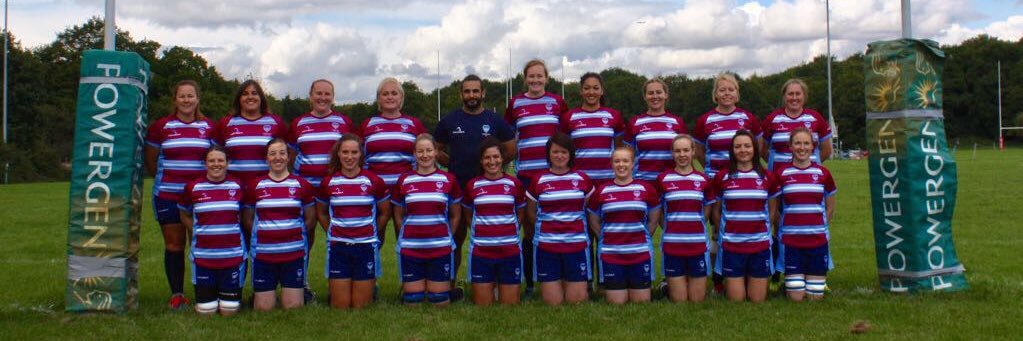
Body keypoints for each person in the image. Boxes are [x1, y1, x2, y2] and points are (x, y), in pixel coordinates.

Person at [434, 74, 516, 301]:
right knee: (456, 239)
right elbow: (435, 147)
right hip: (459, 189)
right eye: (467, 91)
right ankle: (449, 283)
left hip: (490, 189)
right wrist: (450, 162)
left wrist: (496, 168)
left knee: (494, 237)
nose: (471, 95)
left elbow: (510, 148)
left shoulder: (495, 120)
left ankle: (500, 283)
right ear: (461, 94)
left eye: (475, 91)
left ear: (483, 93)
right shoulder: (450, 121)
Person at [144, 80, 218, 310]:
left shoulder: (209, 127)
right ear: (175, 100)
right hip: (169, 195)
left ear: (198, 99)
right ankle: (177, 294)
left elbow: (215, 159)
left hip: (201, 198)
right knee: (175, 245)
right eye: (182, 96)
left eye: (191, 96)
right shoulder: (161, 126)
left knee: (205, 244)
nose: (186, 100)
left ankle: (209, 291)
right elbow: (151, 159)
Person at [691, 73, 760, 294]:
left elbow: (756, 147)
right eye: (722, 90)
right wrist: (715, 173)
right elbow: (700, 151)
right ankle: (719, 280)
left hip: (745, 181)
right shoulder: (705, 120)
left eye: (731, 89)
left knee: (744, 228)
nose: (727, 93)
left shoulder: (748, 118)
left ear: (737, 93)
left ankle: (749, 275)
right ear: (715, 95)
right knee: (717, 232)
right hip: (717, 183)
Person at [505, 59, 567, 296]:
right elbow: (509, 137)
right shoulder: (516, 103)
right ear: (525, 79)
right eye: (531, 76)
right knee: (530, 229)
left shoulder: (557, 102)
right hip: (527, 176)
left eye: (539, 76)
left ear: (547, 78)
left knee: (556, 227)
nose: (535, 80)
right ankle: (530, 282)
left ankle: (560, 278)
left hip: (553, 176)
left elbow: (563, 138)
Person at [288, 79, 353, 303]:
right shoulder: (298, 123)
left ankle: (346, 280)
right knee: (304, 235)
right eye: (318, 93)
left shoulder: (343, 122)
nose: (322, 98)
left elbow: (350, 153)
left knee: (339, 236)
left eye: (327, 94)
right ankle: (301, 282)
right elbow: (291, 155)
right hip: (306, 190)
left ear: (333, 97)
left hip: (335, 191)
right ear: (310, 95)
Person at [317, 134, 391, 309]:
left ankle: (371, 287)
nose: (349, 157)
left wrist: (371, 233)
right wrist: (333, 231)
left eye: (354, 152)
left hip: (365, 246)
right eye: (345, 152)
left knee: (360, 307)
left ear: (361, 155)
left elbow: (384, 213)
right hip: (339, 246)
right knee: (340, 306)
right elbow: (321, 212)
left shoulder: (374, 181)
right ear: (338, 155)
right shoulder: (329, 182)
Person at [243, 138, 317, 311]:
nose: (278, 157)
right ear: (266, 158)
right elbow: (248, 218)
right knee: (263, 309)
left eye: (282, 153)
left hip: (293, 254)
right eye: (273, 153)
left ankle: (300, 291)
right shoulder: (256, 186)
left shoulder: (301, 185)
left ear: (288, 157)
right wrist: (262, 236)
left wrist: (292, 235)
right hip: (264, 255)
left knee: (292, 308)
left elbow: (310, 219)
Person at [392, 134, 462, 306]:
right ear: (414, 154)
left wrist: (446, 235)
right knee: (413, 302)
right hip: (412, 248)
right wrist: (407, 234)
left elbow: (455, 215)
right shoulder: (404, 180)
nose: (425, 155)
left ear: (436, 152)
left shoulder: (448, 179)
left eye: (429, 150)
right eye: (420, 151)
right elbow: (399, 214)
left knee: (439, 301)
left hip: (439, 248)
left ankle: (448, 291)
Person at [587, 145, 661, 304]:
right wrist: (608, 238)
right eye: (617, 161)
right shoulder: (601, 191)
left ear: (633, 163)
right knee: (617, 303)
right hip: (612, 254)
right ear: (612, 164)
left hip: (639, 253)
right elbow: (593, 221)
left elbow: (653, 220)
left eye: (625, 161)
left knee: (641, 302)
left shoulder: (646, 189)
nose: (621, 165)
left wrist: (641, 237)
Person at [710, 129, 778, 303]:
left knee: (757, 300)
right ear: (732, 150)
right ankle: (723, 283)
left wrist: (763, 228)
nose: (743, 150)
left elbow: (772, 209)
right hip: (732, 246)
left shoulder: (766, 177)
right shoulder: (722, 177)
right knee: (737, 300)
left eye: (747, 146)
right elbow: (716, 211)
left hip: (759, 245)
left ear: (754, 148)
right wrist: (725, 232)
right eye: (738, 146)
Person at [526, 133, 594, 305]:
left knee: (576, 302)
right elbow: (532, 212)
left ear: (570, 154)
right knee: (552, 303)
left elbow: (588, 208)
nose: (559, 156)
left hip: (576, 245)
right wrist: (548, 229)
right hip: (547, 245)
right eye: (555, 152)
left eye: (564, 152)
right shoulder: (538, 180)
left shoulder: (582, 179)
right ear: (548, 154)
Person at [178, 145, 245, 316]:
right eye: (212, 160)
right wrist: (197, 231)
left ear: (228, 163)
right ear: (205, 164)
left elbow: (246, 214)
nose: (216, 164)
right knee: (206, 312)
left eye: (220, 160)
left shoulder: (238, 186)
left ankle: (227, 298)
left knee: (229, 311)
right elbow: (184, 212)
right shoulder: (193, 188)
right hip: (204, 258)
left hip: (232, 257)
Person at [359, 77, 426, 247]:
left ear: (401, 98)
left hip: (405, 191)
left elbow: (425, 152)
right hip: (374, 192)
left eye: (394, 93)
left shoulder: (413, 124)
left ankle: (410, 273)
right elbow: (357, 156)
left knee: (406, 240)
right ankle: (368, 272)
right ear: (379, 99)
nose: (390, 97)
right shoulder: (368, 124)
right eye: (385, 93)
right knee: (373, 240)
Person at [773, 127, 836, 301]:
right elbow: (774, 208)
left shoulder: (823, 174)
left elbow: (830, 206)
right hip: (791, 242)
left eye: (806, 143)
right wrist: (782, 227)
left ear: (813, 146)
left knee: (815, 297)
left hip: (817, 241)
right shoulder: (781, 174)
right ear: (790, 147)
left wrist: (821, 226)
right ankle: (790, 283)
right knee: (796, 297)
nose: (802, 147)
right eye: (798, 143)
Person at [461, 138, 525, 305]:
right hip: (482, 252)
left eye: (496, 157)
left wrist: (511, 229)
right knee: (483, 305)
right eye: (487, 158)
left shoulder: (514, 184)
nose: (492, 161)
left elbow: (521, 211)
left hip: (509, 251)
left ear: (502, 158)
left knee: (509, 305)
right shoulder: (472, 185)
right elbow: (468, 213)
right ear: (481, 161)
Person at [655, 135, 717, 303]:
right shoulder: (663, 179)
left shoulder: (703, 179)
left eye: (686, 150)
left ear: (693, 152)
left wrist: (697, 223)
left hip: (696, 243)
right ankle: (666, 286)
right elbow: (658, 209)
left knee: (697, 300)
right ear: (672, 154)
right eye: (677, 151)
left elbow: (707, 207)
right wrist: (668, 227)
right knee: (680, 301)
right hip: (673, 244)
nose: (682, 155)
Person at [218, 79, 288, 185]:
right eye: (245, 94)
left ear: (261, 98)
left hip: (267, 186)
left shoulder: (275, 122)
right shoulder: (226, 123)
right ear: (239, 99)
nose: (250, 97)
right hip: (232, 187)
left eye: (254, 93)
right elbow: (215, 154)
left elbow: (287, 153)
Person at [561, 72, 624, 187]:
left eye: (596, 88)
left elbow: (619, 150)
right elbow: (564, 150)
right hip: (578, 181)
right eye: (586, 88)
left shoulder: (614, 116)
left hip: (608, 180)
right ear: (581, 91)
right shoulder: (568, 117)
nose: (591, 92)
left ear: (602, 91)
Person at [761, 78, 833, 171]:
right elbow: (762, 149)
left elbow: (826, 150)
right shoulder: (772, 118)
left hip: (810, 174)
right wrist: (774, 163)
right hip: (779, 177)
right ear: (784, 96)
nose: (794, 98)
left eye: (798, 94)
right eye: (790, 94)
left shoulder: (815, 117)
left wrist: (811, 163)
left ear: (804, 96)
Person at [624, 79, 687, 181]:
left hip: (672, 181)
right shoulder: (635, 122)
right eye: (650, 93)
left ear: (666, 95)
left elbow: (686, 154)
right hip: (642, 181)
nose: (655, 96)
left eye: (658, 92)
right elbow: (626, 156)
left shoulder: (677, 122)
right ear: (645, 97)